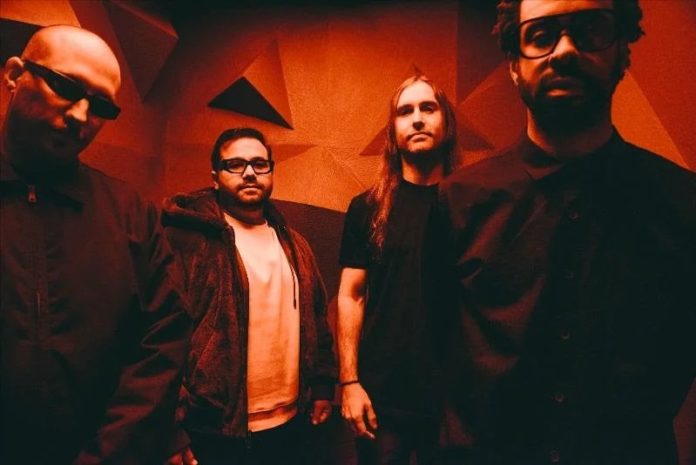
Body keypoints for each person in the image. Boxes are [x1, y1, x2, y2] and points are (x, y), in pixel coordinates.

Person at [437, 1, 696, 464]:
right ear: (513, 65)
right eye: (541, 36)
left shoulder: (683, 203)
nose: (564, 50)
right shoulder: (457, 200)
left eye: (589, 29)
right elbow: (433, 351)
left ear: (622, 52)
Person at [0, 25, 191, 464]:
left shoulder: (131, 213)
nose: (82, 115)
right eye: (66, 87)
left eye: (101, 105)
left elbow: (163, 342)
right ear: (14, 75)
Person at [162, 127, 337, 465]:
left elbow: (317, 319)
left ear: (271, 171)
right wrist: (171, 428)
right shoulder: (186, 241)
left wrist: (322, 386)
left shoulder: (295, 244)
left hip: (290, 421)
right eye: (235, 164)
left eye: (259, 164)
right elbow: (159, 334)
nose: (249, 173)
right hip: (213, 427)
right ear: (215, 177)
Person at [337, 75, 458, 464]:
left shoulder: (472, 204)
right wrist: (349, 382)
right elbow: (351, 295)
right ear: (393, 131)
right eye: (406, 111)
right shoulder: (367, 208)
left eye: (428, 108)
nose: (417, 118)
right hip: (382, 396)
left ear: (446, 123)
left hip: (454, 398)